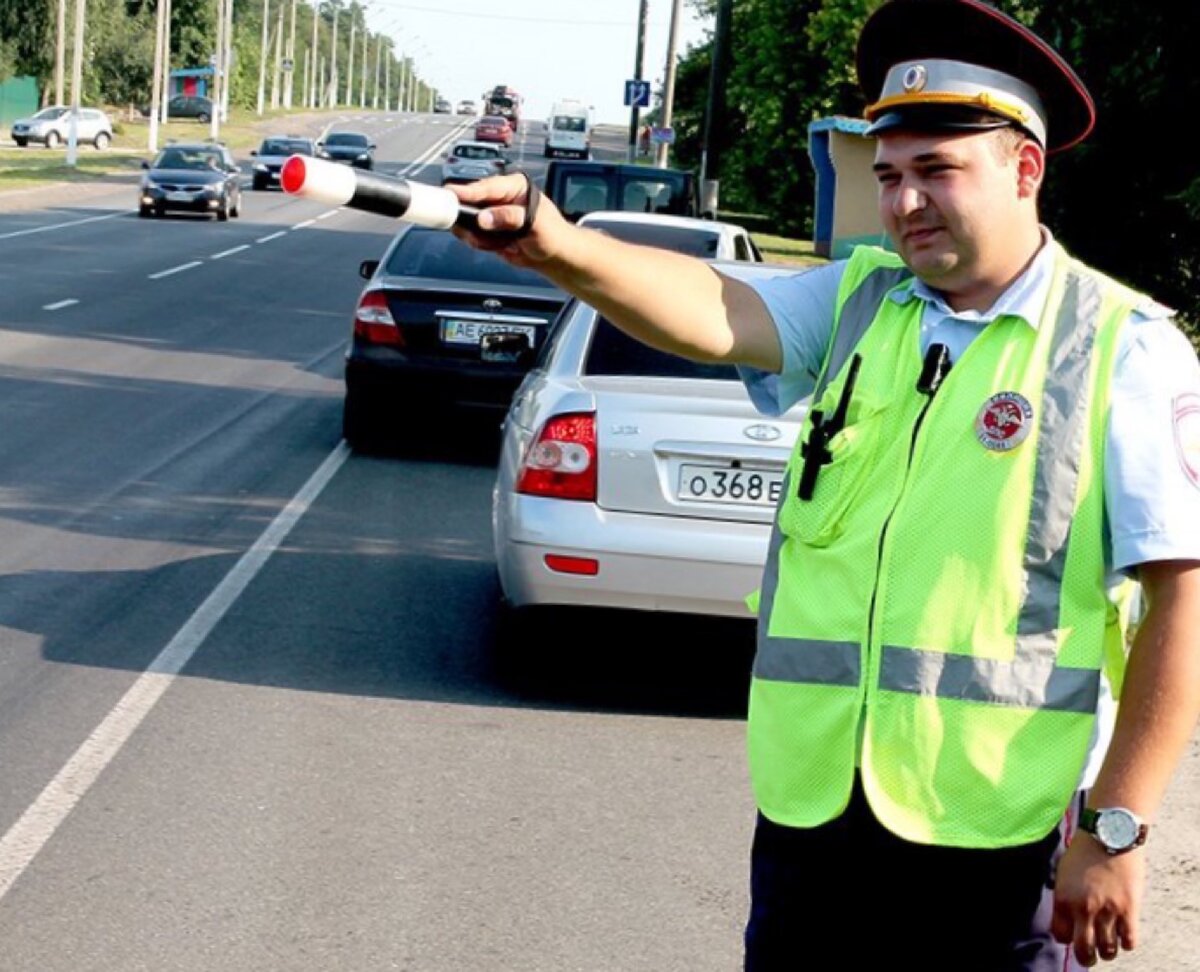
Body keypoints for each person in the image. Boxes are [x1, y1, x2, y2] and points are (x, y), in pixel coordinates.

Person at [449, 1, 1200, 967]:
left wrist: (1118, 826)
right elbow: (710, 307)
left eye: (937, 171)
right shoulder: (862, 302)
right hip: (815, 821)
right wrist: (553, 244)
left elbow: (1183, 595)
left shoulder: (1122, 348)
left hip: (998, 841)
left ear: (1026, 169)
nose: (905, 205)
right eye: (889, 176)